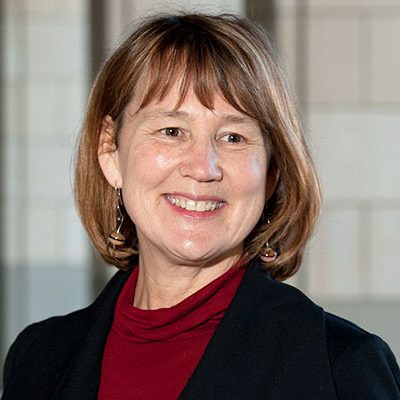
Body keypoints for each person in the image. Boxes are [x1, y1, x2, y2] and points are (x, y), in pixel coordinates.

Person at [2, 13, 400, 400]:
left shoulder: (341, 368)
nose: (203, 168)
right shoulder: (38, 358)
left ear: (272, 172)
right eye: (171, 131)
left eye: (232, 137)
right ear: (110, 151)